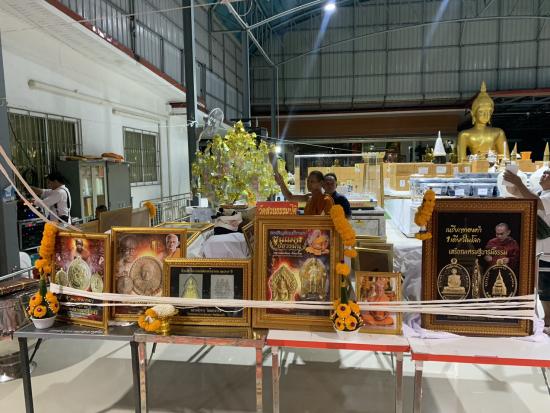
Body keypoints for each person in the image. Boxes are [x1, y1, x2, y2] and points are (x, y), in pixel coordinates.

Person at [504, 168, 550, 333]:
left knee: (546, 289)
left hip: (547, 253)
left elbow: (535, 202)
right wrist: (511, 183)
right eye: (544, 173)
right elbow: (519, 193)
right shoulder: (541, 193)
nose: (544, 175)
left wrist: (518, 182)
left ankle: (548, 321)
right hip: (540, 252)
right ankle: (546, 321)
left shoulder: (547, 197)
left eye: (548, 174)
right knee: (543, 290)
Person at [457, 81, 509, 161]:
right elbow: (461, 160)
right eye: (481, 111)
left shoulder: (498, 133)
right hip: (474, 166)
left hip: (493, 166)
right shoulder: (464, 135)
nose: (486, 115)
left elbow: (506, 158)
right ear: (473, 113)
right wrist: (474, 159)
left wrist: (492, 158)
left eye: (489, 111)